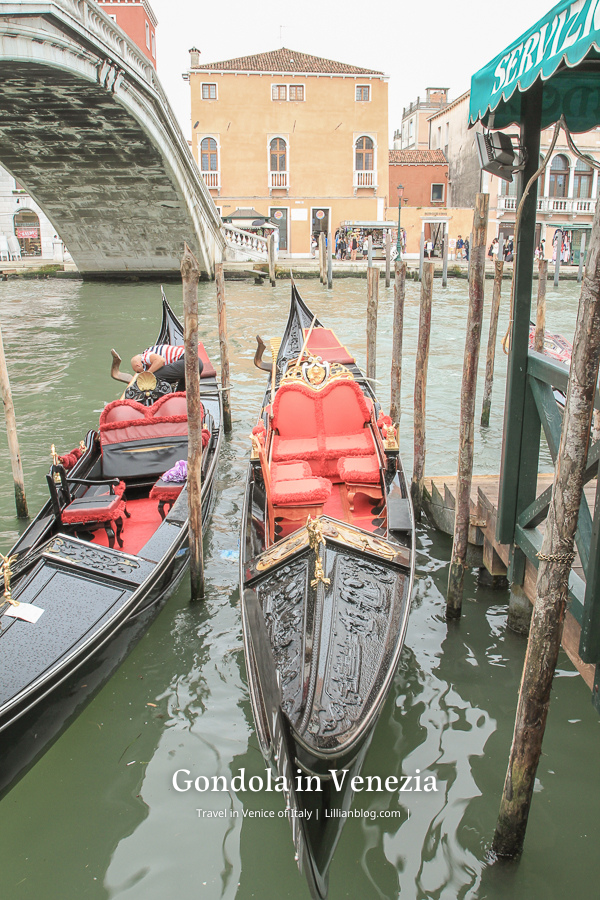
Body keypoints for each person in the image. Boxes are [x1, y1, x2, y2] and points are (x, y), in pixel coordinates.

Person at [131, 344, 203, 385]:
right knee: (180, 393)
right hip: (194, 364)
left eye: (138, 371)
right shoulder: (151, 352)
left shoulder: (145, 356)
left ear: (138, 365)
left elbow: (160, 360)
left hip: (189, 362)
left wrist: (147, 374)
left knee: (154, 375)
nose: (140, 373)